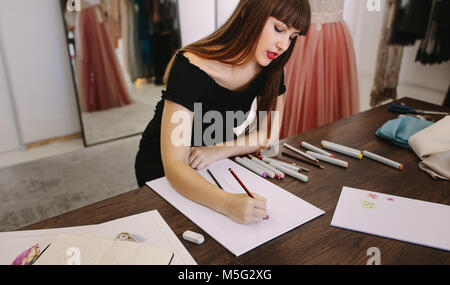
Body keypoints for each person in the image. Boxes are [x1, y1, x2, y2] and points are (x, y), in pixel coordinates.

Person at [135, 0, 311, 224]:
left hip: (214, 163)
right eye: (279, 29)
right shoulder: (190, 67)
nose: (283, 45)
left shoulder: (271, 68)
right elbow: (174, 164)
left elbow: (268, 135)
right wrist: (228, 203)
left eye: (292, 37)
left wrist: (216, 151)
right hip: (162, 167)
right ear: (248, 12)